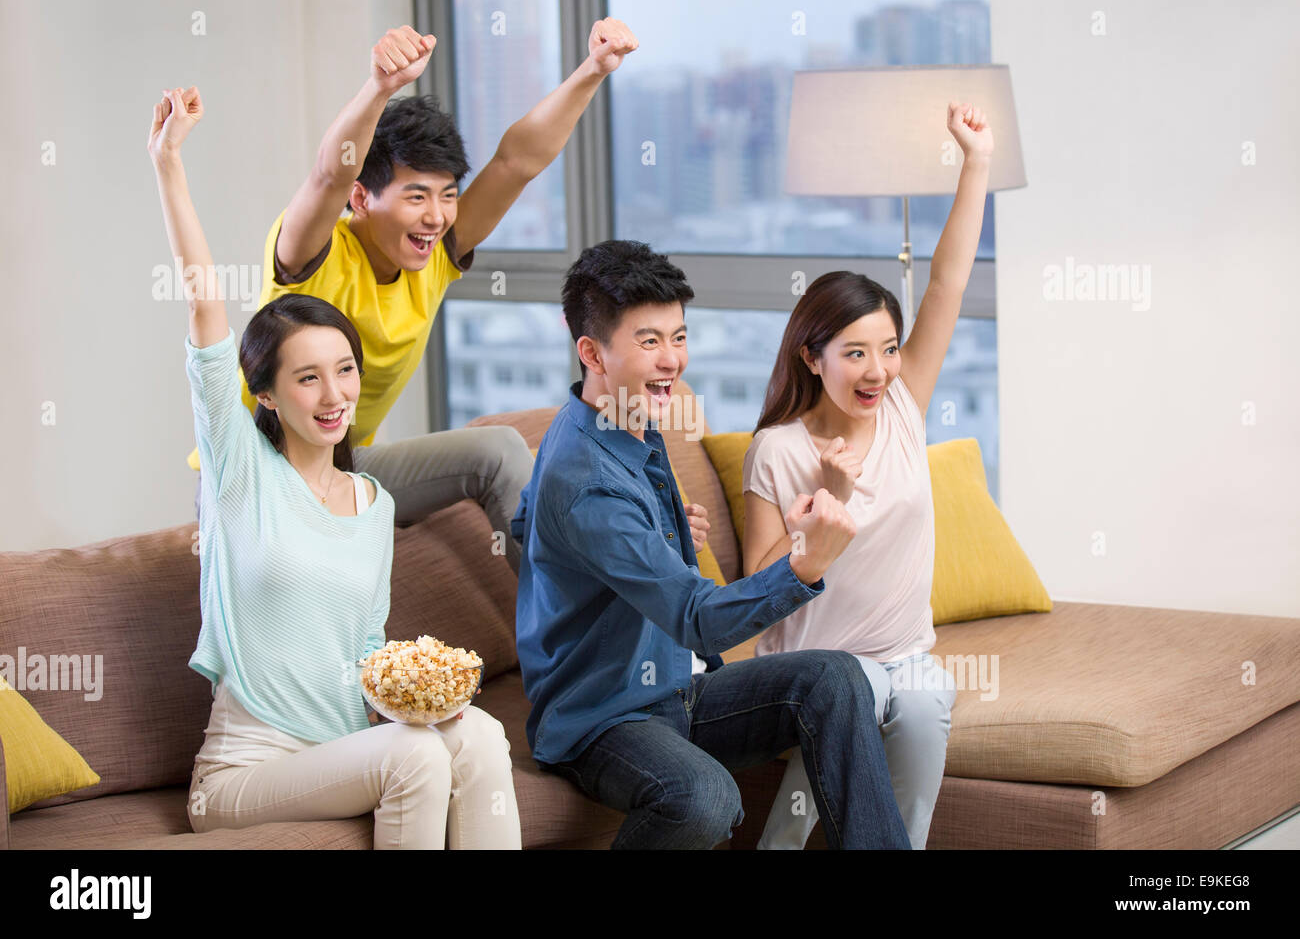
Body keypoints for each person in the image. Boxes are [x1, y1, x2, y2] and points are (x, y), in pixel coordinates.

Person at [151, 85, 521, 849]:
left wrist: (418, 699)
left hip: (347, 748)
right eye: (307, 377)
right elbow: (204, 309)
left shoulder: (373, 502)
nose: (333, 396)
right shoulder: (239, 474)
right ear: (266, 393)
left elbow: (358, 658)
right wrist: (168, 164)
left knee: (478, 736)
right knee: (415, 761)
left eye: (344, 371)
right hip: (243, 774)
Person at [189, 20, 641, 573]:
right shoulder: (314, 254)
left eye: (448, 195)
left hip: (343, 465)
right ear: (362, 197)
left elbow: (516, 162)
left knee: (496, 450)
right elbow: (329, 174)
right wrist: (379, 86)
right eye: (416, 195)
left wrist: (592, 70)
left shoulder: (433, 254)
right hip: (254, 472)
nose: (436, 215)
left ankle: (574, 637)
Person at [510, 240, 911, 849]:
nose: (672, 360)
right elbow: (699, 619)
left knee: (835, 678)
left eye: (679, 336)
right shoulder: (586, 478)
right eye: (649, 341)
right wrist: (804, 566)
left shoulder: (621, 416)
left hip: (676, 688)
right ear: (591, 352)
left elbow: (523, 522)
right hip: (603, 716)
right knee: (703, 798)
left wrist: (644, 536)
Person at [745, 102, 994, 850]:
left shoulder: (905, 407)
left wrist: (975, 162)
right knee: (853, 704)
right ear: (810, 357)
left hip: (903, 660)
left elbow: (948, 281)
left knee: (922, 701)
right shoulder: (779, 451)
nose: (878, 369)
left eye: (887, 348)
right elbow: (751, 590)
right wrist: (826, 510)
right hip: (813, 675)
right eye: (854, 352)